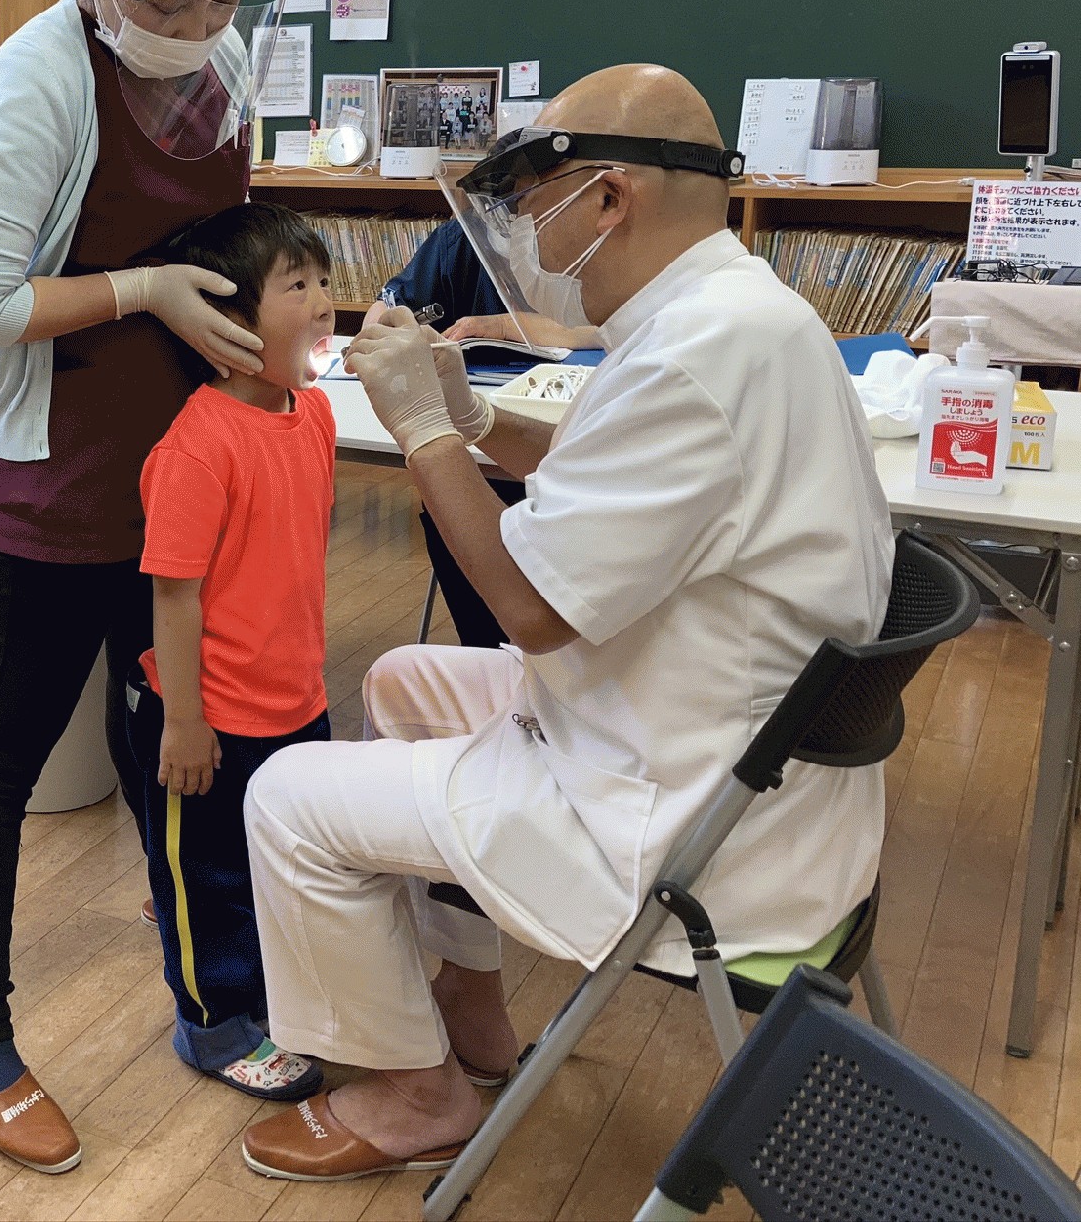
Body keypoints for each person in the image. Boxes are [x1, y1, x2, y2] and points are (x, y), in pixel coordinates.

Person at [238, 65, 893, 1181]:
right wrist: (471, 416)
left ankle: (415, 1096)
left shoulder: (692, 356)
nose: (525, 236)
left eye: (533, 203)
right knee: (403, 680)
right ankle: (470, 1008)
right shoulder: (733, 313)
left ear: (607, 199)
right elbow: (602, 473)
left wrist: (418, 429)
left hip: (690, 821)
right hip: (729, 744)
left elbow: (530, 610)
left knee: (285, 799)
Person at [0, 0, 285, 1173]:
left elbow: (216, 232)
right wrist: (142, 292)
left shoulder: (221, 62)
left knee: (178, 739)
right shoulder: (40, 80)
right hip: (67, 476)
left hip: (188, 467)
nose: (198, 27)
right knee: (1, 757)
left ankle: (212, 992)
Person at [124, 202, 338, 1103]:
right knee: (203, 882)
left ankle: (273, 998)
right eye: (298, 286)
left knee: (278, 868)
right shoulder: (198, 448)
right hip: (205, 717)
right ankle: (211, 1025)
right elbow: (173, 595)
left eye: (324, 280)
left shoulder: (313, 414)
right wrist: (185, 722)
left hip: (296, 701)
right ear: (228, 325)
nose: (324, 301)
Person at [362, 222, 600, 649]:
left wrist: (428, 430)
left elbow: (536, 621)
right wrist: (474, 417)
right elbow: (585, 466)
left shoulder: (669, 352)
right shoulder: (462, 240)